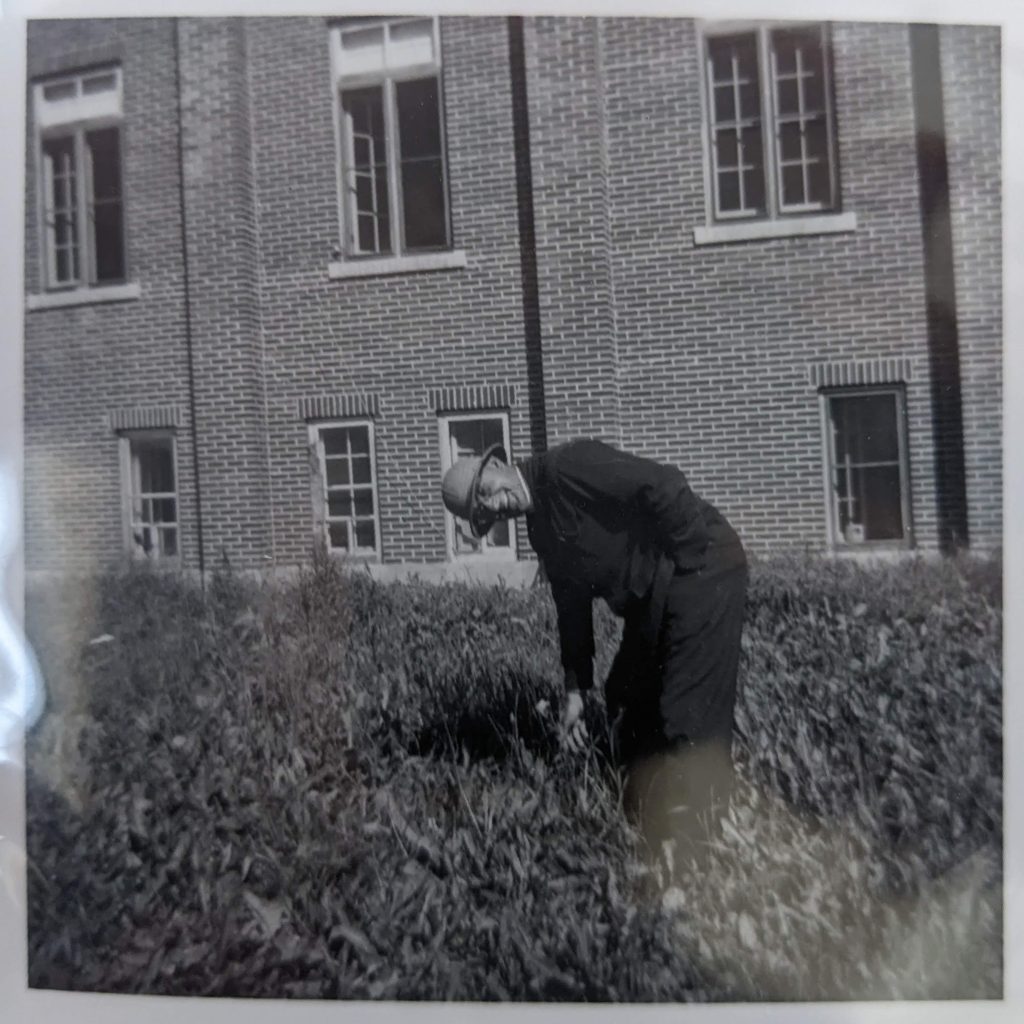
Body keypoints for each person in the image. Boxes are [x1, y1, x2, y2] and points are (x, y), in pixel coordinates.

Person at [441, 438, 748, 870]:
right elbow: (571, 605)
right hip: (655, 595)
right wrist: (574, 690)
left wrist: (692, 561)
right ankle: (647, 824)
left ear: (497, 463)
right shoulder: (540, 529)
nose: (496, 504)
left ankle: (702, 849)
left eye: (486, 488)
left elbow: (663, 484)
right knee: (625, 696)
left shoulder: (570, 466)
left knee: (687, 710)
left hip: (702, 564)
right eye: (484, 510)